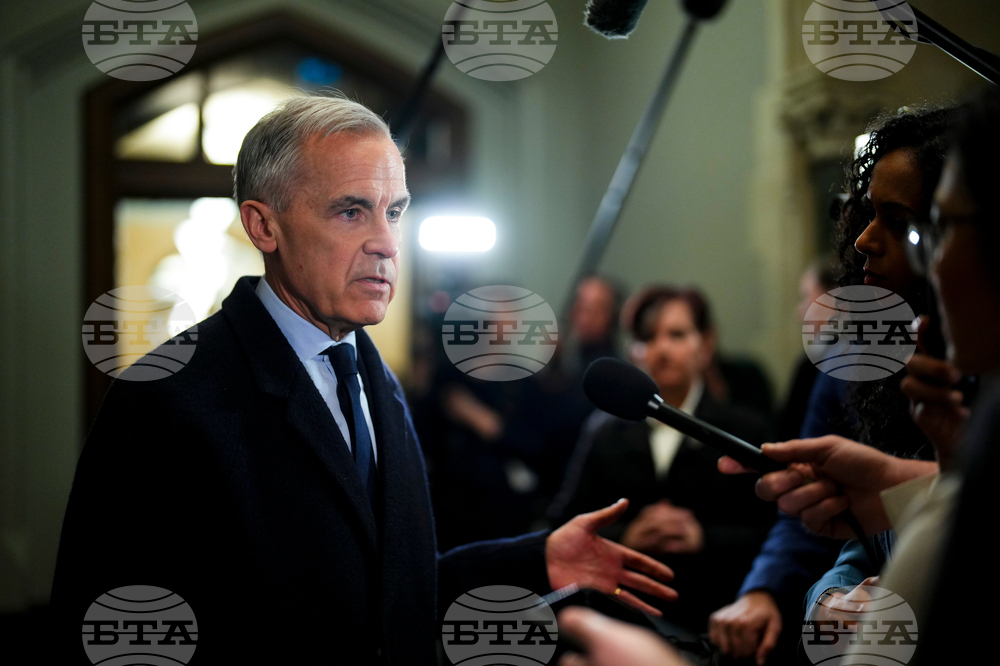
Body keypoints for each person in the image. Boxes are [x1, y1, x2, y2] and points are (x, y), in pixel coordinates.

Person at [50, 95, 678, 664]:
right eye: (351, 211)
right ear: (264, 226)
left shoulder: (375, 380)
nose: (387, 243)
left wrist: (535, 560)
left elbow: (387, 596)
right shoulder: (165, 397)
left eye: (394, 211)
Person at [733, 89, 1000, 661]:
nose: (863, 241)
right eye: (867, 213)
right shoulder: (863, 355)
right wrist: (826, 599)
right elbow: (859, 546)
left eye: (913, 227)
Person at [556, 285, 773, 634]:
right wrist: (627, 536)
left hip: (718, 614)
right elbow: (564, 524)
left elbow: (775, 531)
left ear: (706, 344)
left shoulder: (743, 429)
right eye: (647, 337)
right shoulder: (605, 431)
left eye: (676, 335)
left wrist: (703, 537)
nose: (662, 349)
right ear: (633, 350)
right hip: (623, 622)